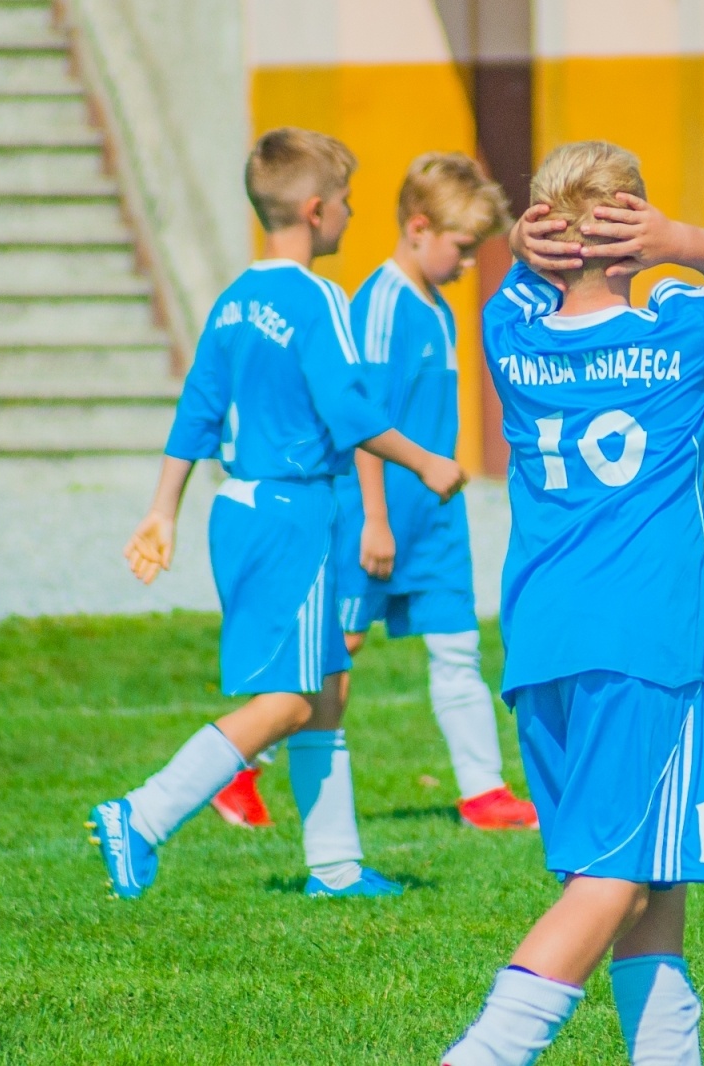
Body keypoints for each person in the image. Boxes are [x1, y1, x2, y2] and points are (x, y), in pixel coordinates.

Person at [441, 141, 704, 1065]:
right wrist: (681, 239)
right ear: (633, 231)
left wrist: (527, 245)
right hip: (645, 645)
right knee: (609, 884)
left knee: (652, 882)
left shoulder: (509, 336)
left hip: (544, 638)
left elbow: (517, 280)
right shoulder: (678, 327)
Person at [87, 127, 466, 901]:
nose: (354, 217)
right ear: (318, 210)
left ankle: (337, 868)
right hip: (290, 518)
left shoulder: (234, 301)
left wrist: (164, 509)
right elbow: (348, 409)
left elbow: (197, 409)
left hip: (244, 508)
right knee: (289, 700)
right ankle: (144, 814)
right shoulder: (316, 297)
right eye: (350, 204)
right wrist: (426, 460)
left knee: (327, 686)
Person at [211, 152, 538, 832]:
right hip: (376, 517)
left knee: (457, 646)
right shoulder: (378, 304)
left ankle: (483, 794)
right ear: (418, 228)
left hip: (436, 519)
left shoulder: (438, 307)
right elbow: (358, 420)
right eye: (461, 247)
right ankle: (238, 769)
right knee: (337, 654)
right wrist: (376, 520)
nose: (469, 262)